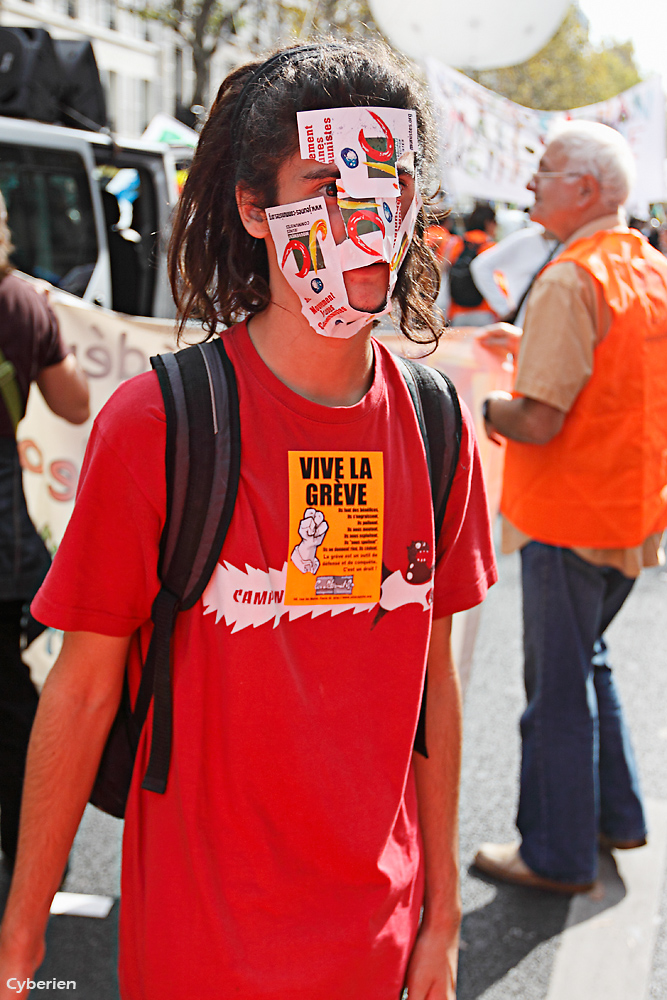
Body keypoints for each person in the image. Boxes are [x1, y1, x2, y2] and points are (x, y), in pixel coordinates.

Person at [0, 43, 497, 999]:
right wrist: (22, 940)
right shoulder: (156, 426)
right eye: (326, 181)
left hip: (373, 943)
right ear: (253, 209)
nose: (363, 217)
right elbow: (82, 692)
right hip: (201, 947)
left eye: (387, 181)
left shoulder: (437, 429)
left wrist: (440, 918)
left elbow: (429, 684)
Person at [475, 121, 667, 893]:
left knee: (554, 693)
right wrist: (526, 347)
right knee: (587, 665)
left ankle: (554, 856)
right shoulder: (645, 267)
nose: (529, 185)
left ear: (584, 190)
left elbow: (539, 419)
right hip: (631, 511)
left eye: (543, 173)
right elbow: (611, 375)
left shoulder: (565, 278)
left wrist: (486, 404)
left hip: (565, 516)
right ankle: (614, 818)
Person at [0, 193, 89, 873]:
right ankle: (33, 847)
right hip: (4, 526)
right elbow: (73, 401)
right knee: (11, 688)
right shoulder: (23, 306)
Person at [447, 202, 497, 327]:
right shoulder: (490, 247)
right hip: (485, 311)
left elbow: (442, 271)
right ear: (489, 222)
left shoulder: (456, 243)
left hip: (457, 312)